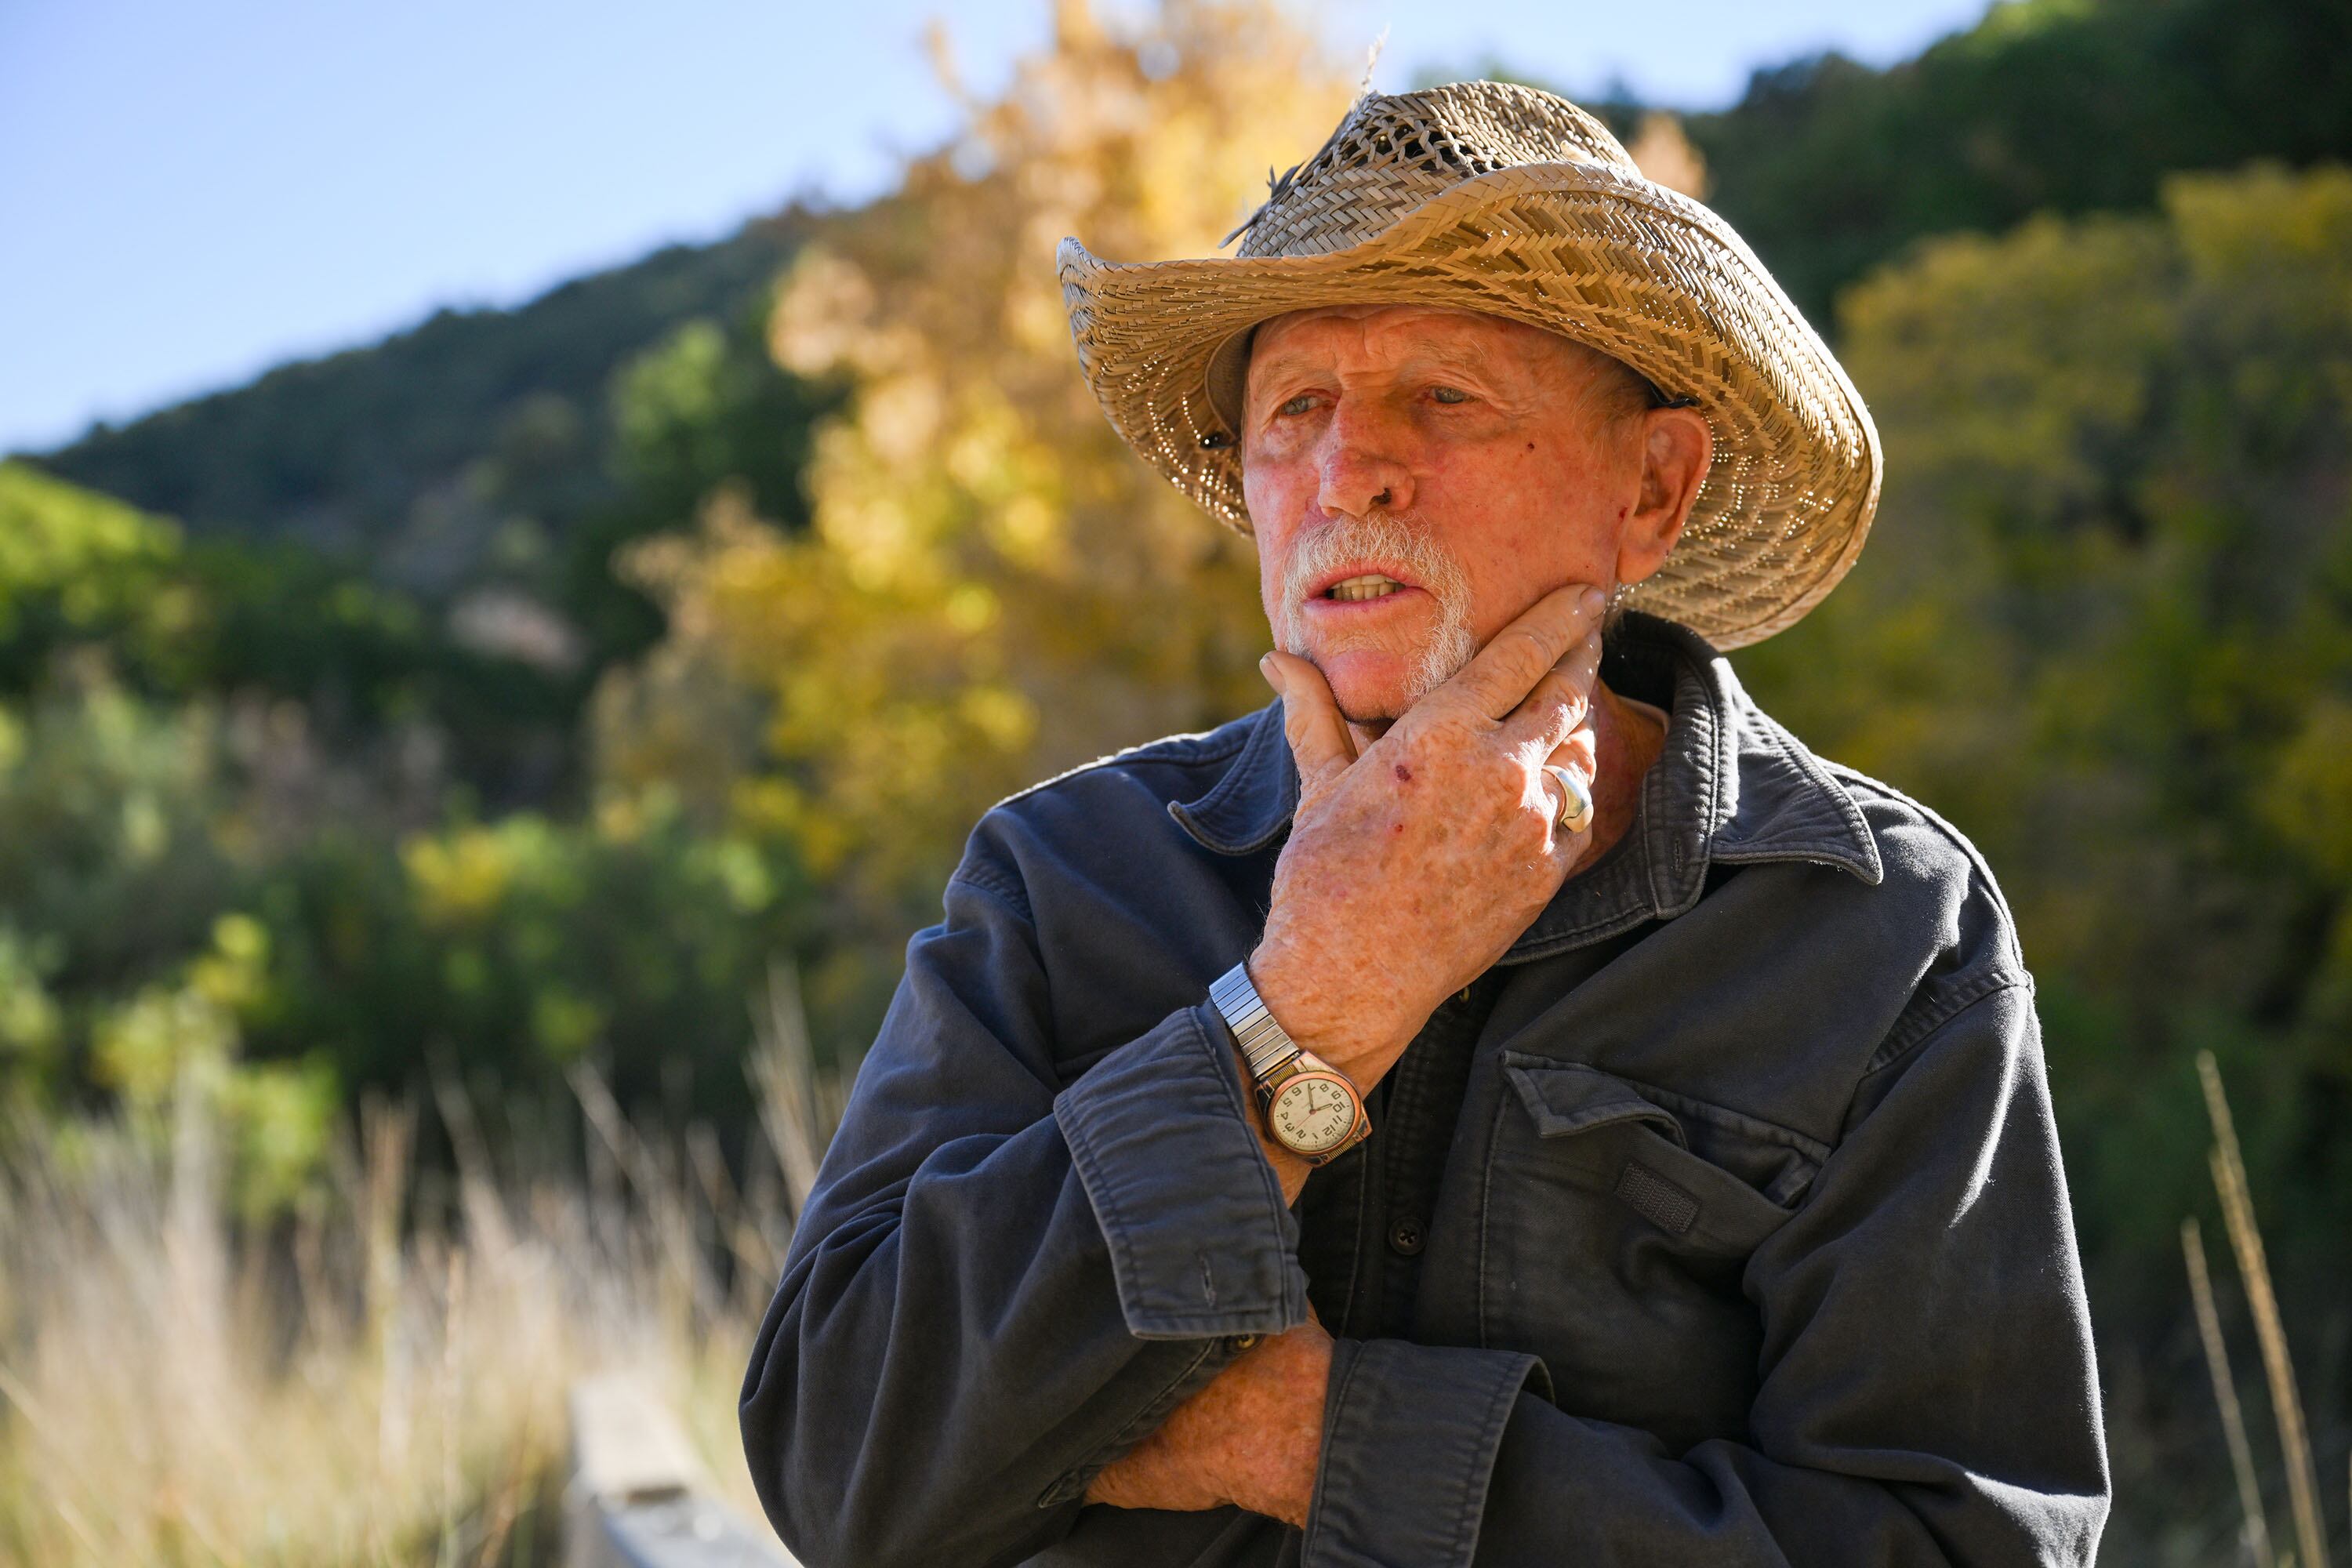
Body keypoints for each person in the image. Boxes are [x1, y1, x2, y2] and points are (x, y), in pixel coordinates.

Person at [740, 81, 2111, 1566]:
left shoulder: (1877, 931)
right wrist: (1300, 1016)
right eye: (1293, 413)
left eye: (1443, 399)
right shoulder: (1068, 882)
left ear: (1654, 487)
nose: (1346, 475)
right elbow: (841, 1467)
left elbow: (1962, 1545)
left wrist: (1324, 1443)